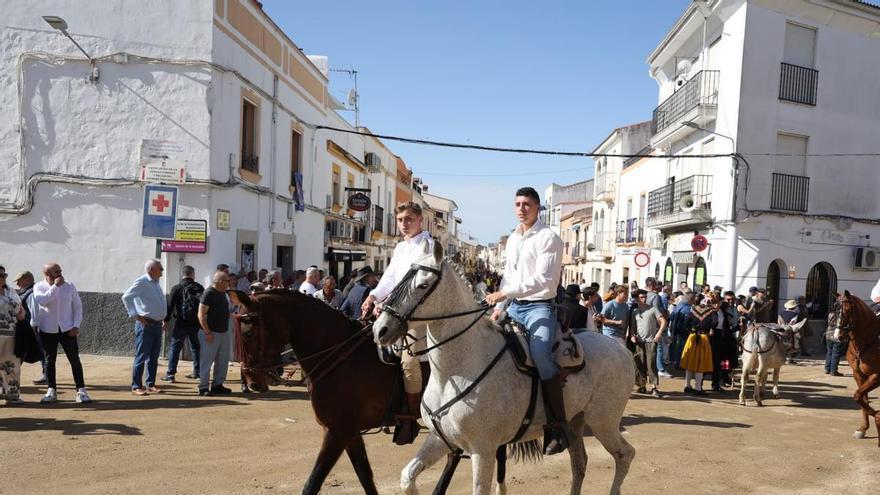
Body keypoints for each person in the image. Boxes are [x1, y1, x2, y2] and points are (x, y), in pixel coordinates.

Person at [485, 187, 567, 455]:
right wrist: (500, 306)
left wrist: (504, 293)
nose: (522, 208)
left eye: (527, 204)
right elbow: (508, 276)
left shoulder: (549, 238)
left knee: (541, 354)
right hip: (512, 305)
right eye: (518, 204)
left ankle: (557, 426)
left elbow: (543, 280)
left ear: (538, 207)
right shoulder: (513, 239)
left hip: (539, 308)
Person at [361, 201, 434, 446]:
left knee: (410, 362)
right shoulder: (401, 247)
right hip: (398, 311)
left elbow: (414, 284)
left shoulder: (428, 245)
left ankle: (410, 416)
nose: (404, 224)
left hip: (419, 313)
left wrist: (388, 301)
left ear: (419, 220)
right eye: (401, 219)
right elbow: (391, 277)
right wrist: (373, 296)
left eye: (409, 219)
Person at [32, 263, 90, 403]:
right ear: (48, 274)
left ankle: (81, 390)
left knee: (74, 359)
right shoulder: (39, 286)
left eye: (60, 270)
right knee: (49, 361)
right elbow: (42, 301)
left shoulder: (70, 286)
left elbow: (77, 307)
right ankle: (51, 390)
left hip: (67, 330)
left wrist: (76, 325)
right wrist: (55, 287)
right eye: (56, 271)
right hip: (48, 330)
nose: (60, 273)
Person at [122, 260, 168, 396]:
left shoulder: (156, 283)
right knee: (141, 356)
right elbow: (126, 297)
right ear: (152, 269)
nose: (162, 271)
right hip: (146, 324)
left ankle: (150, 384)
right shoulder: (142, 282)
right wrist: (135, 315)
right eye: (160, 268)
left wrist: (163, 318)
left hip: (157, 324)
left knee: (153, 357)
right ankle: (136, 386)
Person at [162, 265, 204, 383]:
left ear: (183, 274)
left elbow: (170, 306)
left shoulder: (177, 288)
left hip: (181, 323)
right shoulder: (199, 288)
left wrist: (166, 320)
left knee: (175, 348)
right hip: (195, 323)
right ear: (192, 274)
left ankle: (170, 374)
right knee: (195, 347)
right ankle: (197, 372)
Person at [197, 271, 233, 396]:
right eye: (227, 281)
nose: (229, 283)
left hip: (223, 332)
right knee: (207, 361)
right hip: (211, 333)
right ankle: (203, 387)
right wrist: (207, 332)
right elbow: (201, 315)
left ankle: (218, 384)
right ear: (219, 281)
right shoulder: (209, 293)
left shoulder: (223, 294)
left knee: (222, 361)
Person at [630, 289, 667, 398]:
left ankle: (654, 387)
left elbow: (663, 321)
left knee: (651, 364)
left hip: (651, 341)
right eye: (641, 297)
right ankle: (641, 385)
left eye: (645, 297)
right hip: (639, 341)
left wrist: (659, 333)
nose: (644, 299)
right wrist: (632, 335)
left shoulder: (653, 309)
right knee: (639, 363)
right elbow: (632, 326)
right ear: (637, 299)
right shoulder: (635, 312)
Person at [14, 271, 47, 385]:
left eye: (19, 281)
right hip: (28, 328)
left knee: (42, 351)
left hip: (32, 328)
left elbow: (35, 311)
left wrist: (34, 326)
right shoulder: (26, 292)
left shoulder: (32, 293)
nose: (17, 284)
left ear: (27, 279)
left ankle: (47, 375)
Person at [0, 265, 26, 405]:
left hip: (12, 334)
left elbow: (20, 308)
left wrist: (22, 313)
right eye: (0, 275)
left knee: (12, 365)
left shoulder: (11, 292)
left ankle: (12, 395)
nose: (3, 278)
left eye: (4, 275)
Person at [680, 294, 715, 395]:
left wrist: (690, 330)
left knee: (689, 362)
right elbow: (715, 322)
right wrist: (710, 328)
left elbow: (686, 323)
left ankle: (687, 386)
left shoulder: (693, 310)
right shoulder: (711, 311)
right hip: (703, 338)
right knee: (700, 363)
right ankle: (698, 388)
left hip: (692, 337)